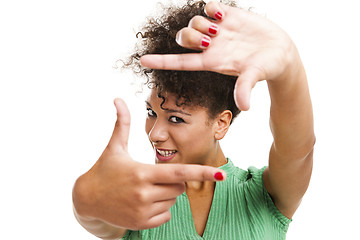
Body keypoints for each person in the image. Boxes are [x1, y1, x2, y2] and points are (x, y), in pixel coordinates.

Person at [72, 0, 315, 239]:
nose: (155, 134)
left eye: (176, 119)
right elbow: (95, 219)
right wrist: (85, 198)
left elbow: (298, 150)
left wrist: (288, 65)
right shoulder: (137, 198)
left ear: (221, 123)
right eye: (151, 113)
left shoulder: (262, 195)